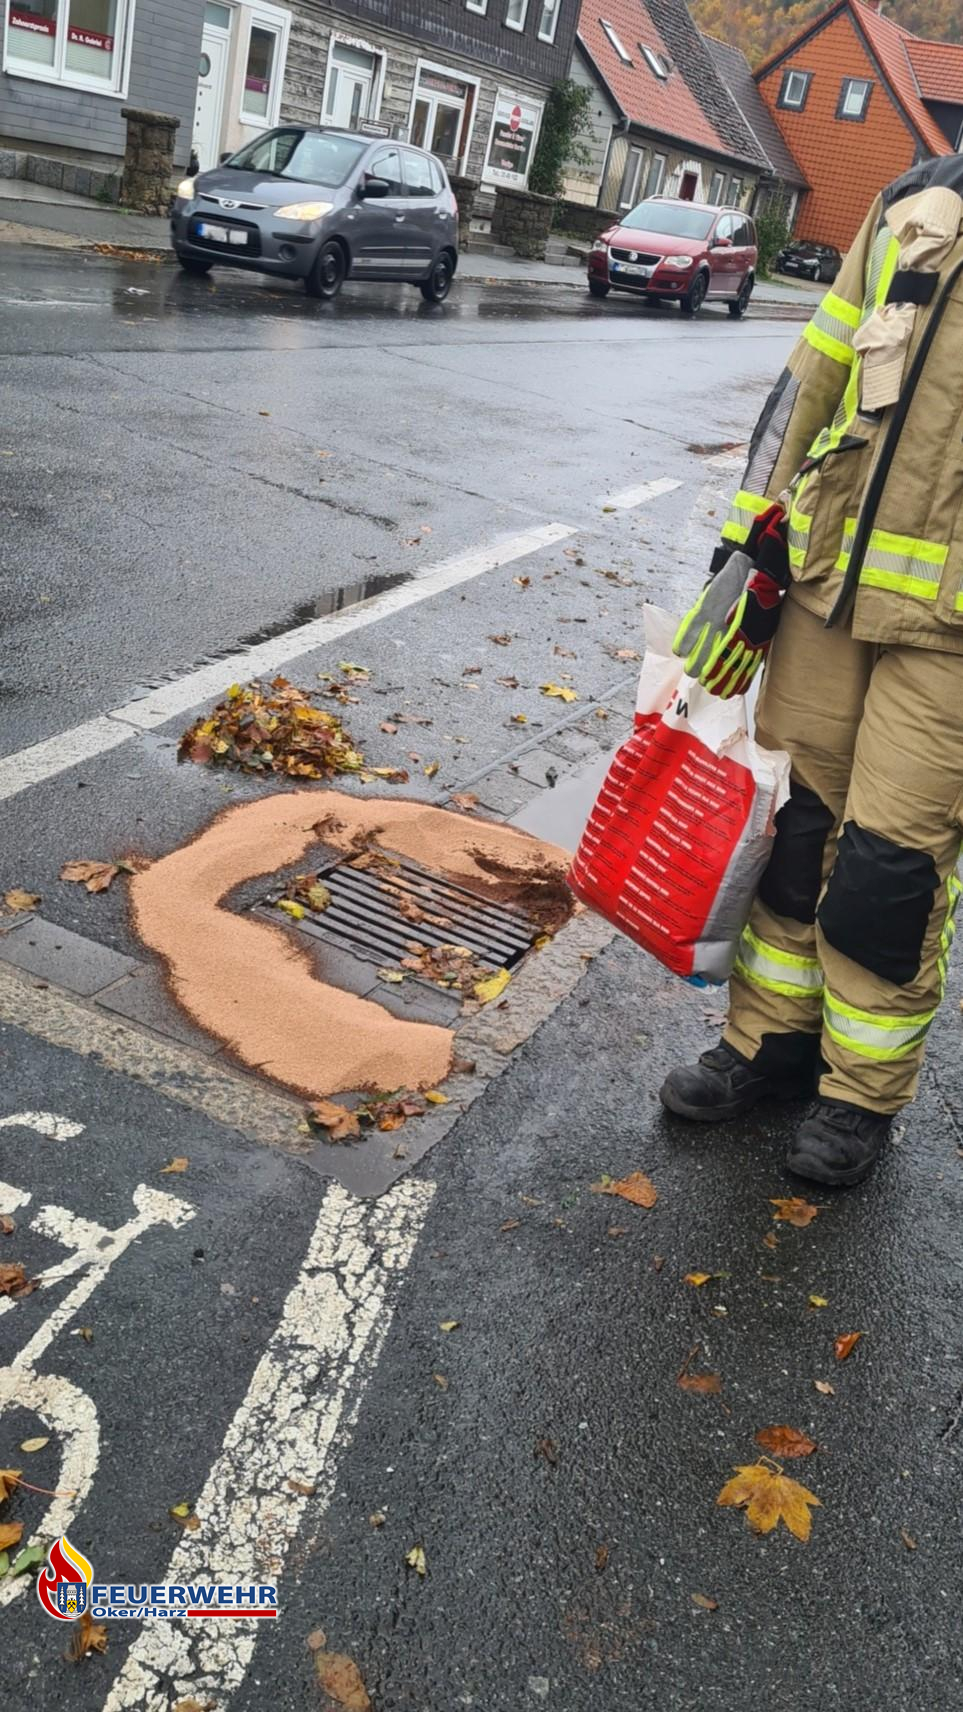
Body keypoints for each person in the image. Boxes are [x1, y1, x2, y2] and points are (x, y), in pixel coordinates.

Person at [659, 152, 963, 1188]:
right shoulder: (917, 196)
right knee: (796, 825)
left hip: (954, 630)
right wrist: (749, 544)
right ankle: (769, 1043)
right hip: (829, 584)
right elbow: (814, 379)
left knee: (890, 868)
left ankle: (858, 1094)